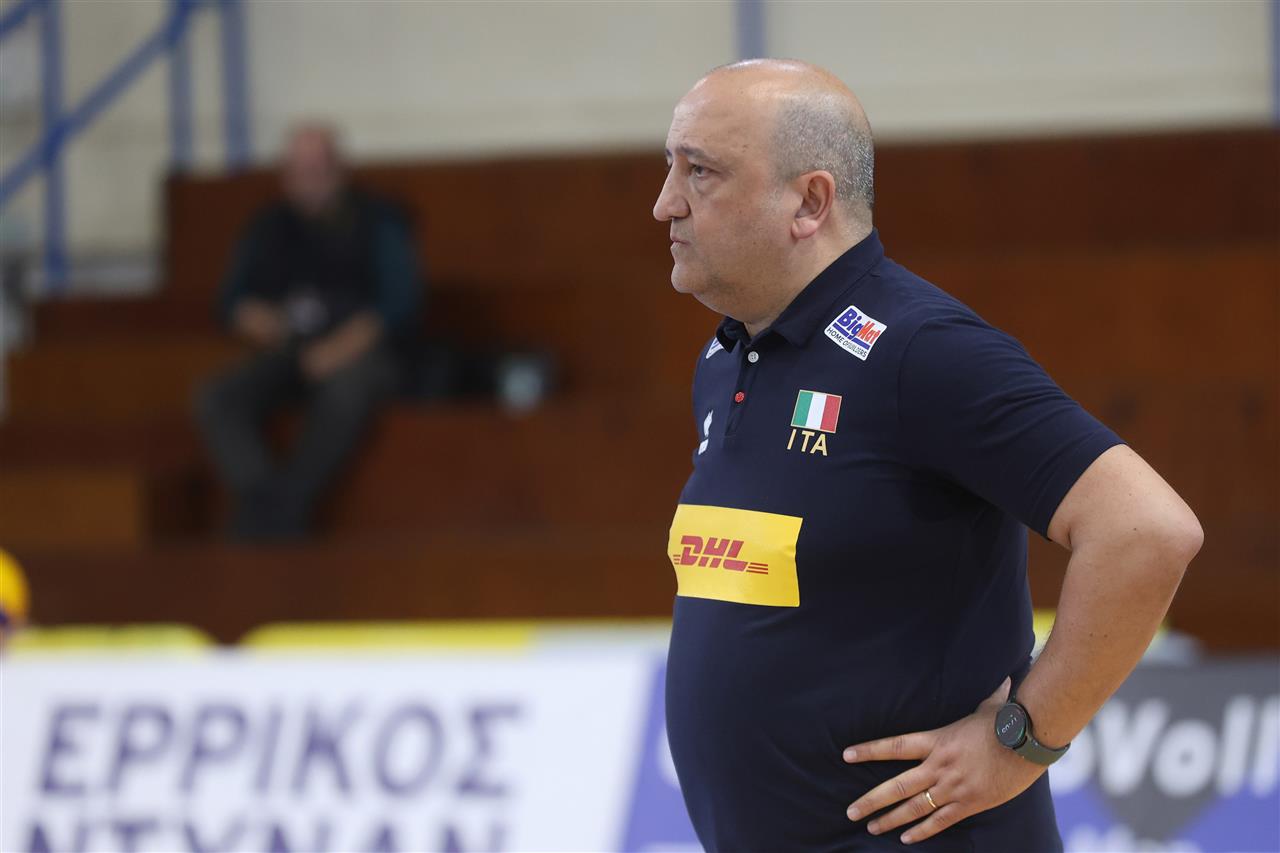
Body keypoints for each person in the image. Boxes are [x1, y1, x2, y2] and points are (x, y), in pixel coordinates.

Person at [654, 60, 1202, 851]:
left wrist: (1023, 740)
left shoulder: (921, 350)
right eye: (670, 167)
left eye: (699, 172)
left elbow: (1145, 531)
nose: (665, 202)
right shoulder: (729, 356)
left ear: (810, 202)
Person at [196, 124, 421, 541]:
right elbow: (230, 302)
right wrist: (256, 318)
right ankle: (268, 501)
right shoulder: (268, 225)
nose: (308, 182)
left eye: (317, 170)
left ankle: (286, 504)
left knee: (346, 390)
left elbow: (399, 306)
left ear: (339, 170)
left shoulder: (376, 220)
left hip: (358, 351)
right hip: (290, 347)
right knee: (218, 398)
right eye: (298, 172)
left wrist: (337, 349)